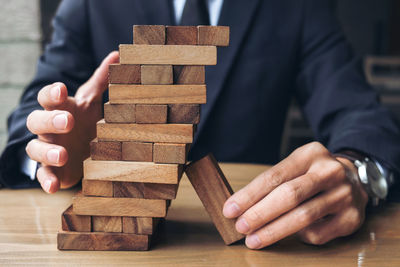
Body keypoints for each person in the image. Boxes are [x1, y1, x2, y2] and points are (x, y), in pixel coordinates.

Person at [1, 0, 399, 250]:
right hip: (118, 224)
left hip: (248, 229)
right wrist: (57, 145)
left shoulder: (298, 7)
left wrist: (358, 170)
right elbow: (31, 110)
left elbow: (358, 112)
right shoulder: (87, 4)